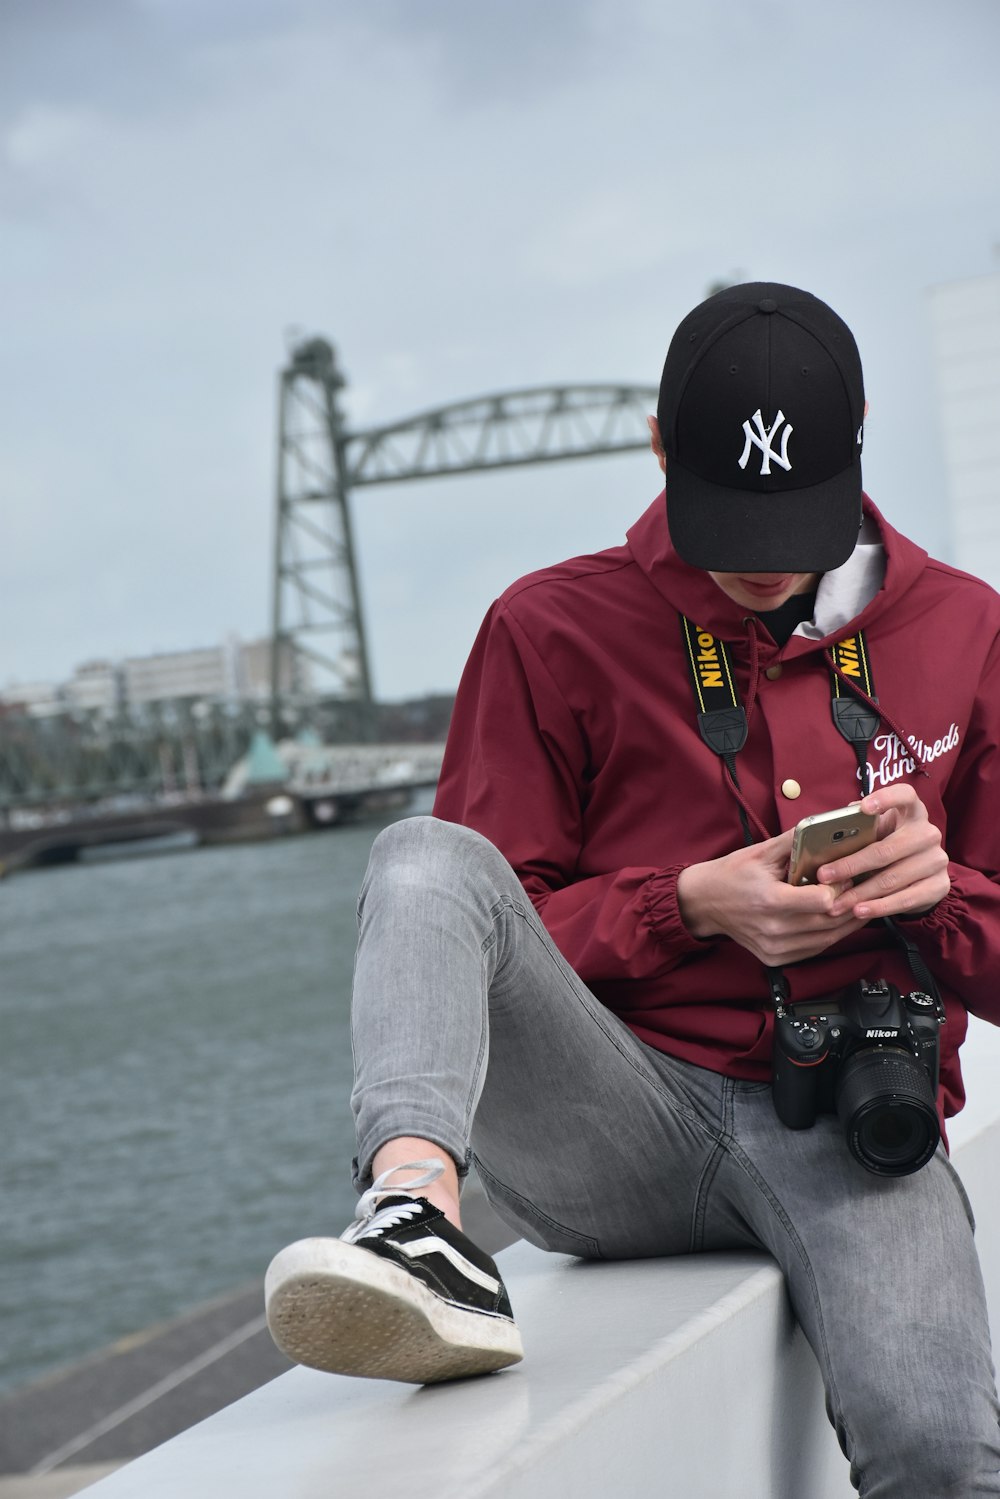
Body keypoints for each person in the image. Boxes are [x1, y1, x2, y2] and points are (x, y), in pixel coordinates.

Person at [265, 282, 1000, 1492]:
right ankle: (411, 1214)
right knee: (424, 855)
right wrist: (689, 903)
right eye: (729, 525)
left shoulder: (966, 630)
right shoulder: (548, 627)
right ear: (659, 448)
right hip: (614, 1123)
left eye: (790, 525)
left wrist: (936, 898)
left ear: (860, 436)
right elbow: (492, 931)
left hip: (855, 1126)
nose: (761, 569)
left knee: (943, 1450)